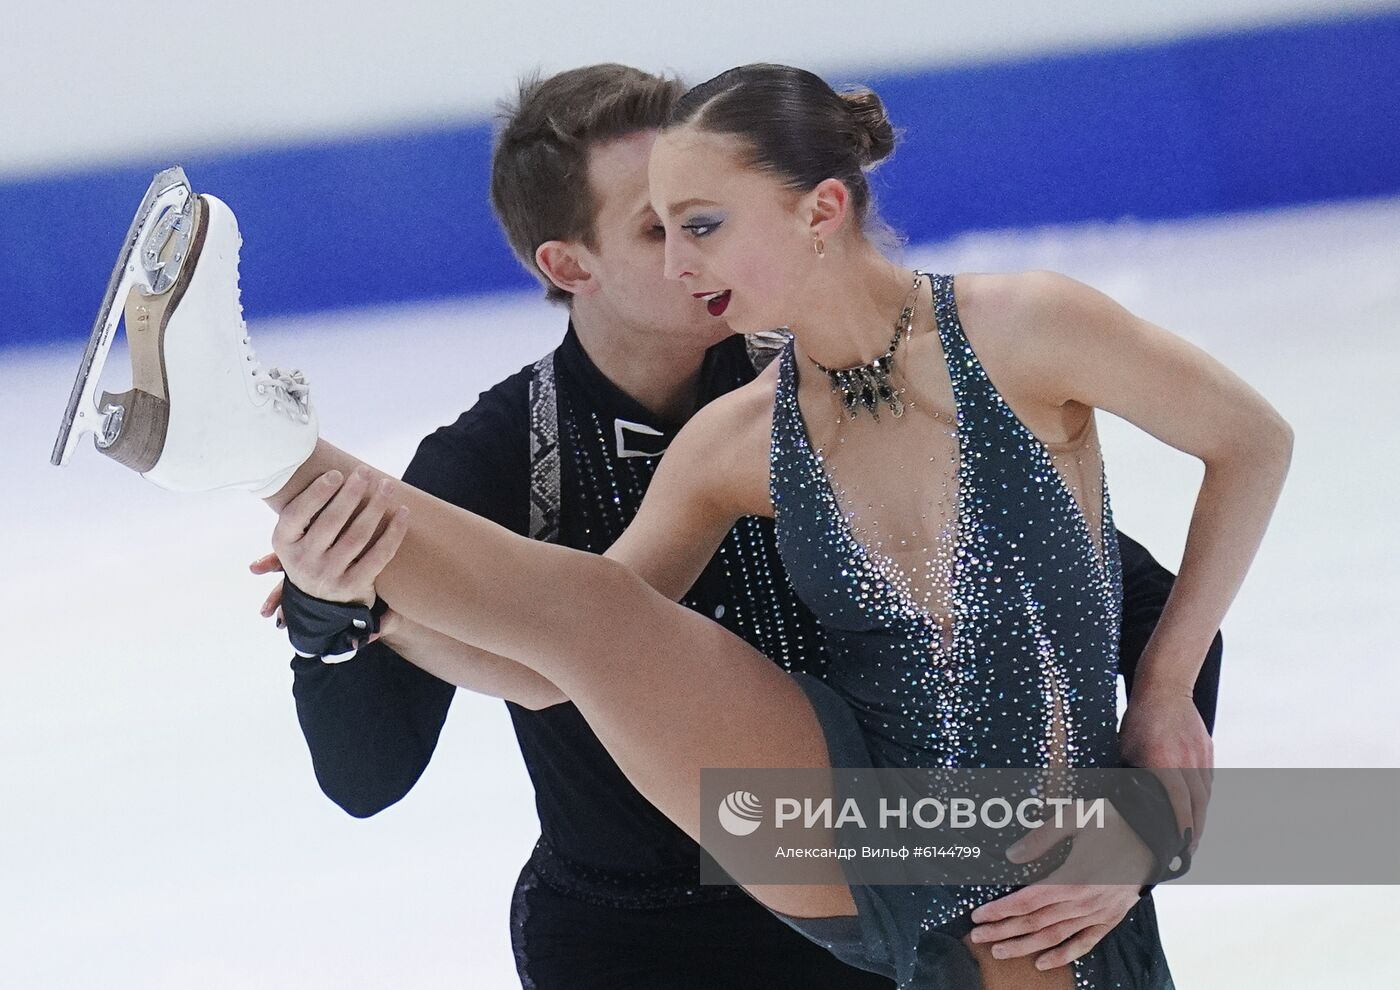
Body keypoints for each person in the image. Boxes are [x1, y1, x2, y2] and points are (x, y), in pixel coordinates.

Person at [58, 64, 1288, 989]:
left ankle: (248, 445)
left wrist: (1154, 773)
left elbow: (1214, 490)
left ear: (812, 209)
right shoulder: (672, 447)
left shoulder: (997, 336)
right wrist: (357, 609)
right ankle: (258, 448)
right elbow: (524, 688)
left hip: (984, 848)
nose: (688, 254)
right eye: (657, 226)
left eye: (701, 217)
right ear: (569, 258)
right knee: (597, 606)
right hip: (733, 880)